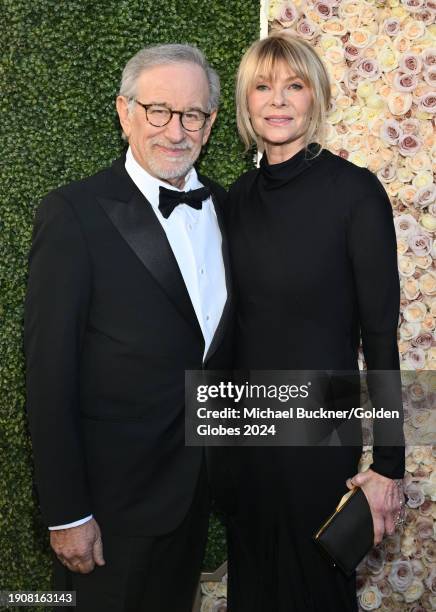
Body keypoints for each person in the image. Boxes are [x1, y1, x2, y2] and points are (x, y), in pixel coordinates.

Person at [24, 43, 233, 612]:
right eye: (157, 110)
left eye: (192, 115)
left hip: (196, 492)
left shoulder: (226, 208)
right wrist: (67, 512)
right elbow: (49, 376)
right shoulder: (74, 213)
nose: (175, 130)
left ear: (210, 123)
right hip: (109, 509)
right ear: (125, 112)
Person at [210, 32, 405, 611]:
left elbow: (380, 338)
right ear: (246, 104)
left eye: (294, 86)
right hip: (245, 436)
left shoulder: (356, 193)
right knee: (253, 589)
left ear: (315, 98)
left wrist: (388, 465)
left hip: (319, 434)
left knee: (314, 591)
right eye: (263, 87)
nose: (278, 100)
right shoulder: (236, 200)